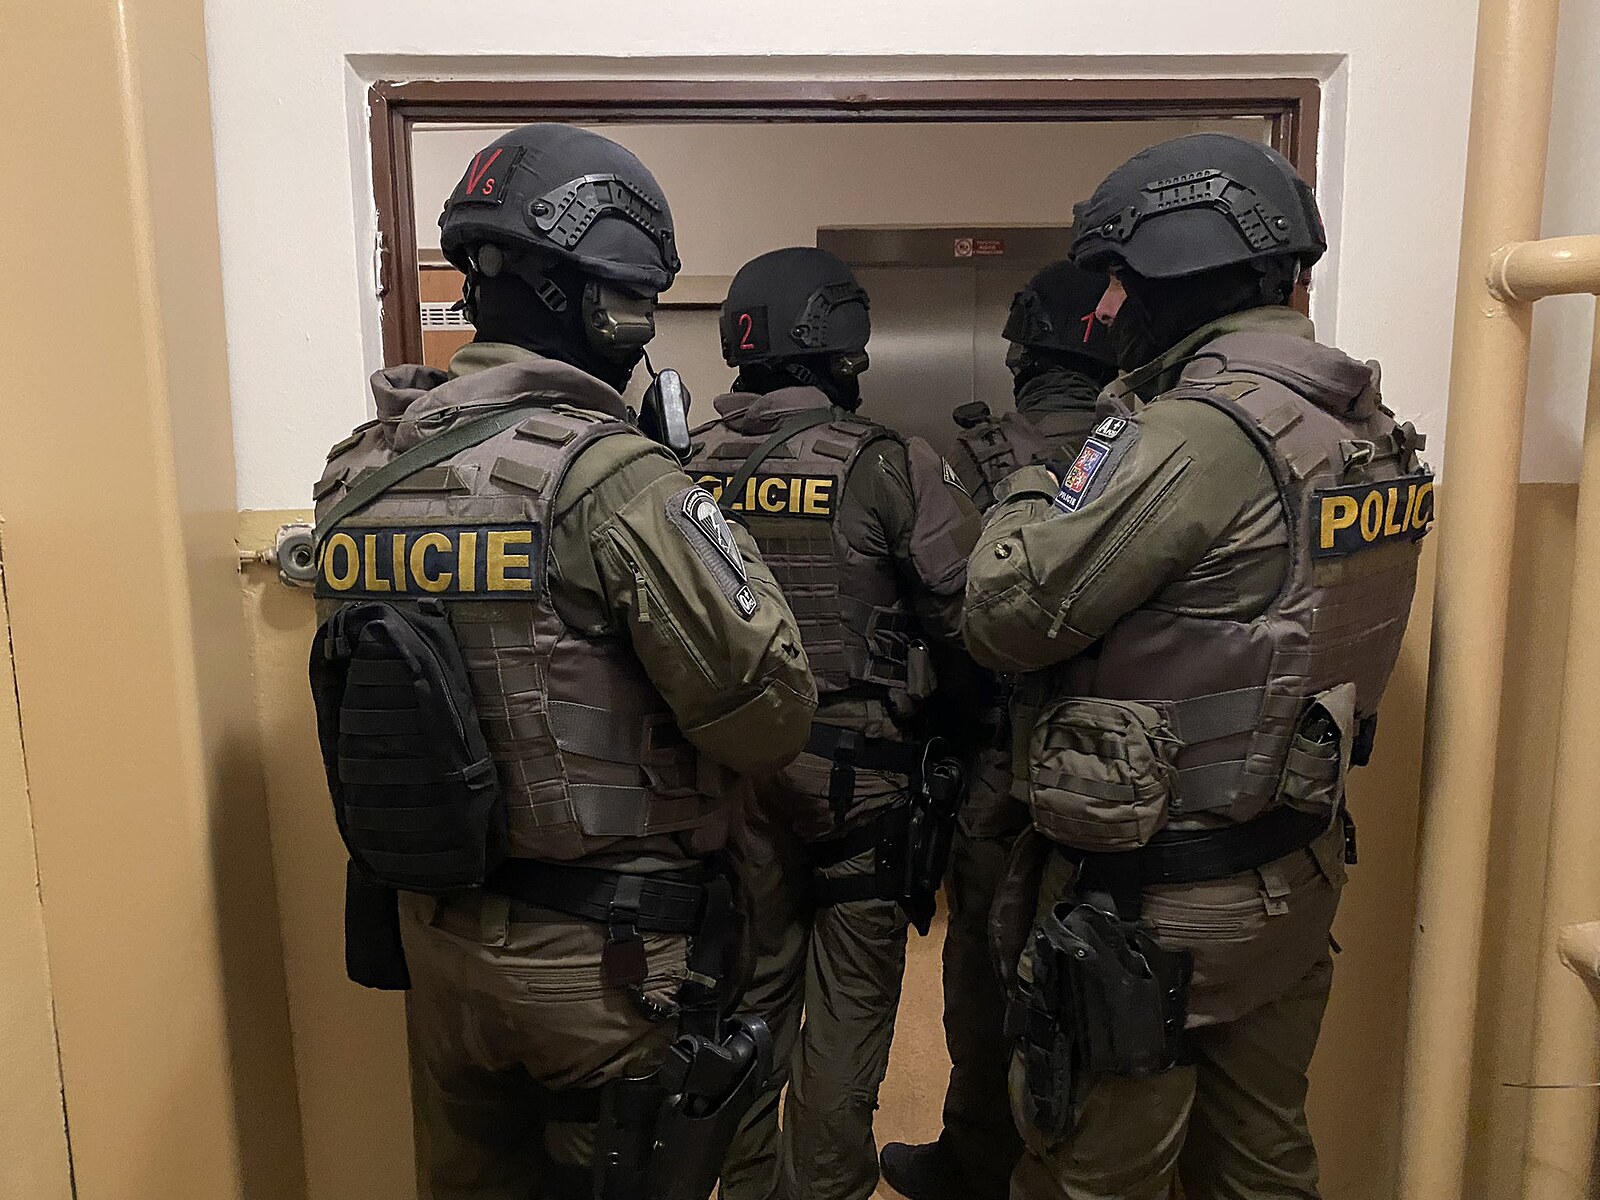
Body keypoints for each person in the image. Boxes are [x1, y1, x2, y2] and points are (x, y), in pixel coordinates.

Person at [308, 124, 817, 1200]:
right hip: (607, 960)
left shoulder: (358, 472)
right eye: (633, 301)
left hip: (437, 939)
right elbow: (767, 714)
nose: (639, 330)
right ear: (581, 297)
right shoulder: (610, 477)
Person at [962, 133, 1434, 1200]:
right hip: (1290, 867)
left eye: (1119, 278)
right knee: (1261, 1162)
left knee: (1090, 1178)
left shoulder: (1196, 435)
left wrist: (1031, 488)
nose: (1108, 306)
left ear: (1179, 271)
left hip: (1155, 902)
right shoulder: (1361, 428)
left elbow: (1006, 617)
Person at [688, 247, 982, 1200]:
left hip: (732, 779)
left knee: (747, 1000)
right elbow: (969, 618)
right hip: (862, 778)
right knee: (849, 1009)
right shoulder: (886, 463)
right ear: (840, 345)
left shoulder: (686, 464)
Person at [879, 259, 1117, 1200]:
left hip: (997, 766)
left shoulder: (974, 454)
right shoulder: (1152, 446)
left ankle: (977, 1156)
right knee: (1108, 978)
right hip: (1125, 771)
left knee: (984, 972)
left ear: (1022, 355)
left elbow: (948, 615)